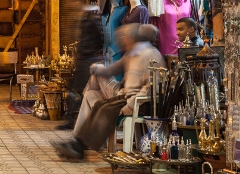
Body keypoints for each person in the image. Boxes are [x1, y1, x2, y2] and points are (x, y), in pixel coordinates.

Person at [55, 24, 165, 159]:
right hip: (126, 96)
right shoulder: (132, 53)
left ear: (131, 38)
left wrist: (130, 105)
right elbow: (112, 70)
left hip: (139, 102)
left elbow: (151, 87)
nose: (120, 42)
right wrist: (97, 68)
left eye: (122, 38)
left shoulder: (150, 54)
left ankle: (79, 146)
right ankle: (78, 143)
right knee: (99, 105)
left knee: (105, 109)